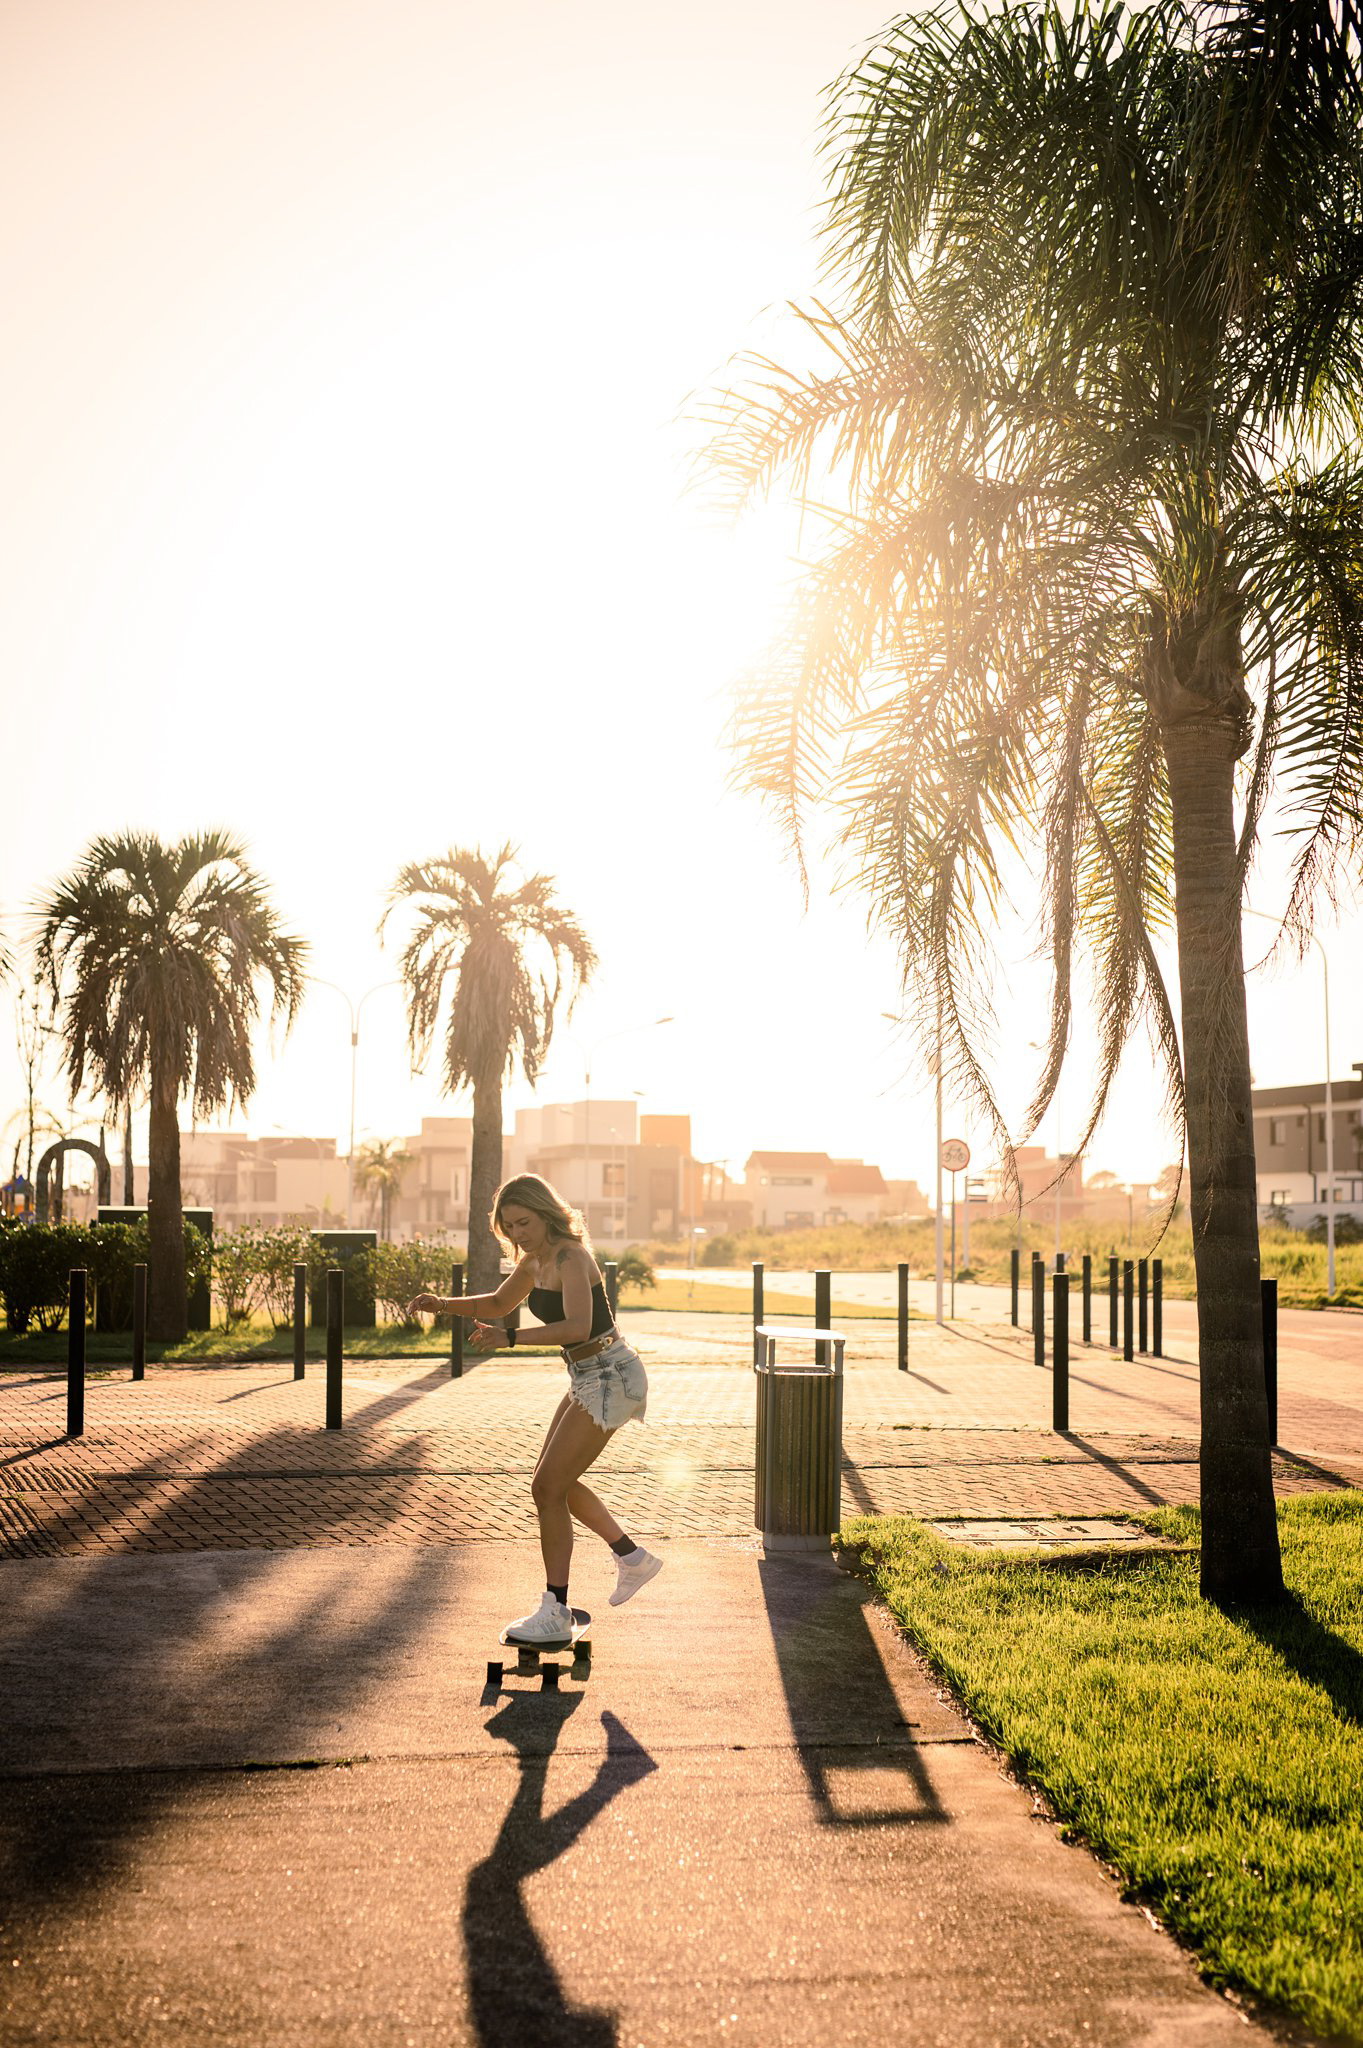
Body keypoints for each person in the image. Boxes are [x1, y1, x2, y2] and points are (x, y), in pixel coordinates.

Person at [407, 1173, 662, 1645]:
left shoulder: (570, 1256)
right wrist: (443, 1304)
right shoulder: (535, 1260)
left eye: (524, 1222)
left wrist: (509, 1338)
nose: (518, 1233)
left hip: (612, 1374)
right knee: (553, 1484)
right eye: (508, 1226)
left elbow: (577, 1325)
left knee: (547, 1487)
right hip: (588, 1375)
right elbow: (501, 1301)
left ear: (546, 1213)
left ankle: (556, 1610)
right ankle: (632, 1559)